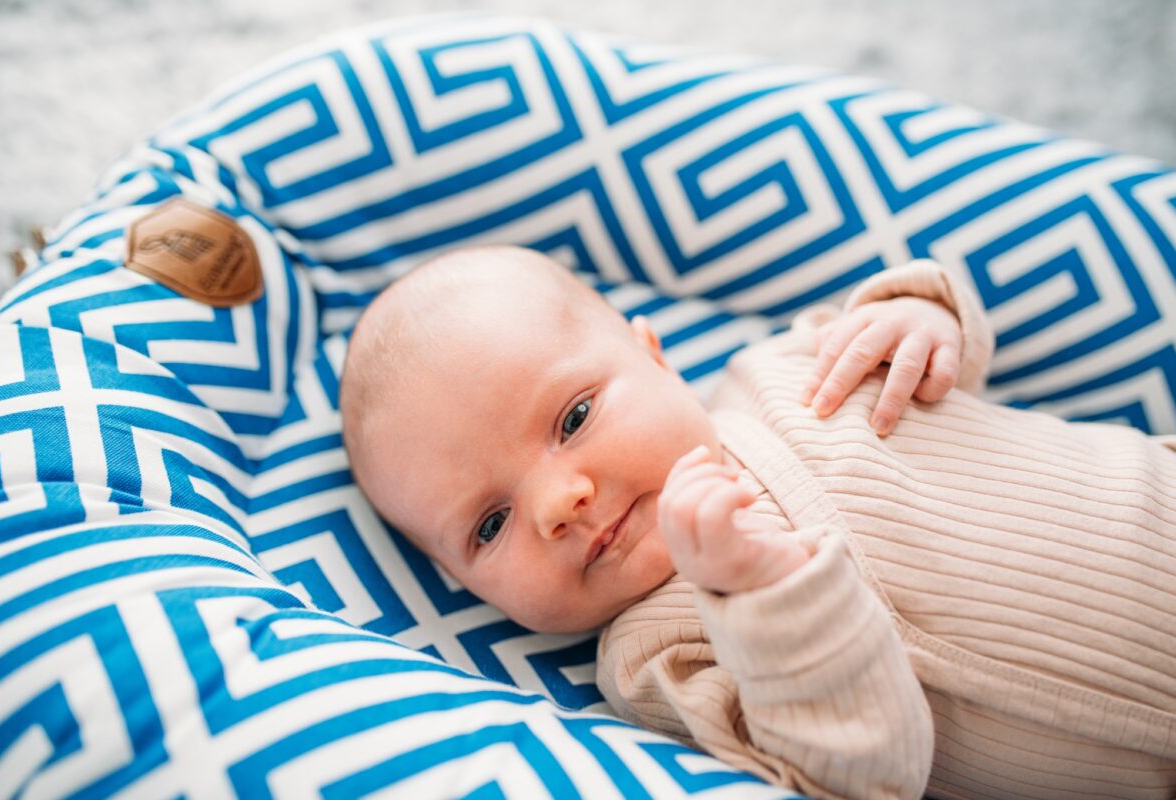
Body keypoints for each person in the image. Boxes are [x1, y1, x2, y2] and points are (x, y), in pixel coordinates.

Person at [339, 244, 1176, 800]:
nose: (560, 503)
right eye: (489, 525)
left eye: (573, 417)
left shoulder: (778, 370)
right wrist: (765, 593)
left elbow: (938, 360)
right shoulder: (653, 659)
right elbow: (866, 774)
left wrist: (923, 315)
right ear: (463, 584)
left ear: (652, 355)